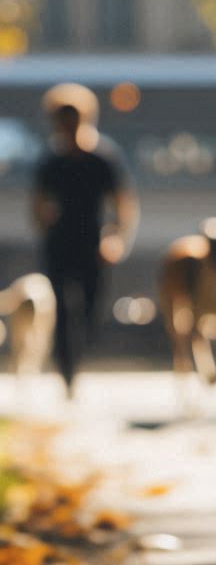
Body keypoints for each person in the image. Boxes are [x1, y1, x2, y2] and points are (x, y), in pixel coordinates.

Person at [31, 83, 138, 394]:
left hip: (92, 242)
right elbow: (37, 202)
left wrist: (116, 238)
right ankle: (66, 371)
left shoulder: (103, 158)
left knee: (91, 307)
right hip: (59, 242)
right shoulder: (51, 160)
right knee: (61, 311)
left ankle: (79, 357)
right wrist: (44, 223)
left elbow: (123, 203)